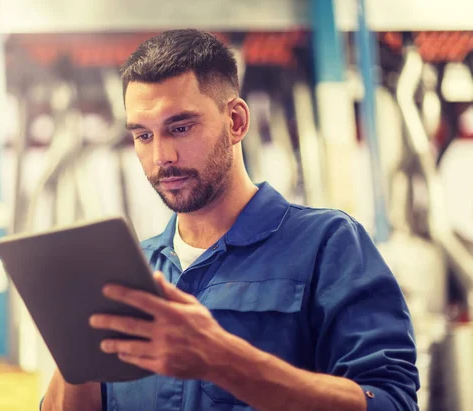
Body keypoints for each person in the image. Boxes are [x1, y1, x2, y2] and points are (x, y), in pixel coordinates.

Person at [41, 29, 419, 411]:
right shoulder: (129, 273)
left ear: (236, 121)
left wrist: (225, 361)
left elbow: (392, 403)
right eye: (143, 135)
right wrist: (74, 342)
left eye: (181, 128)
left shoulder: (328, 244)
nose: (161, 156)